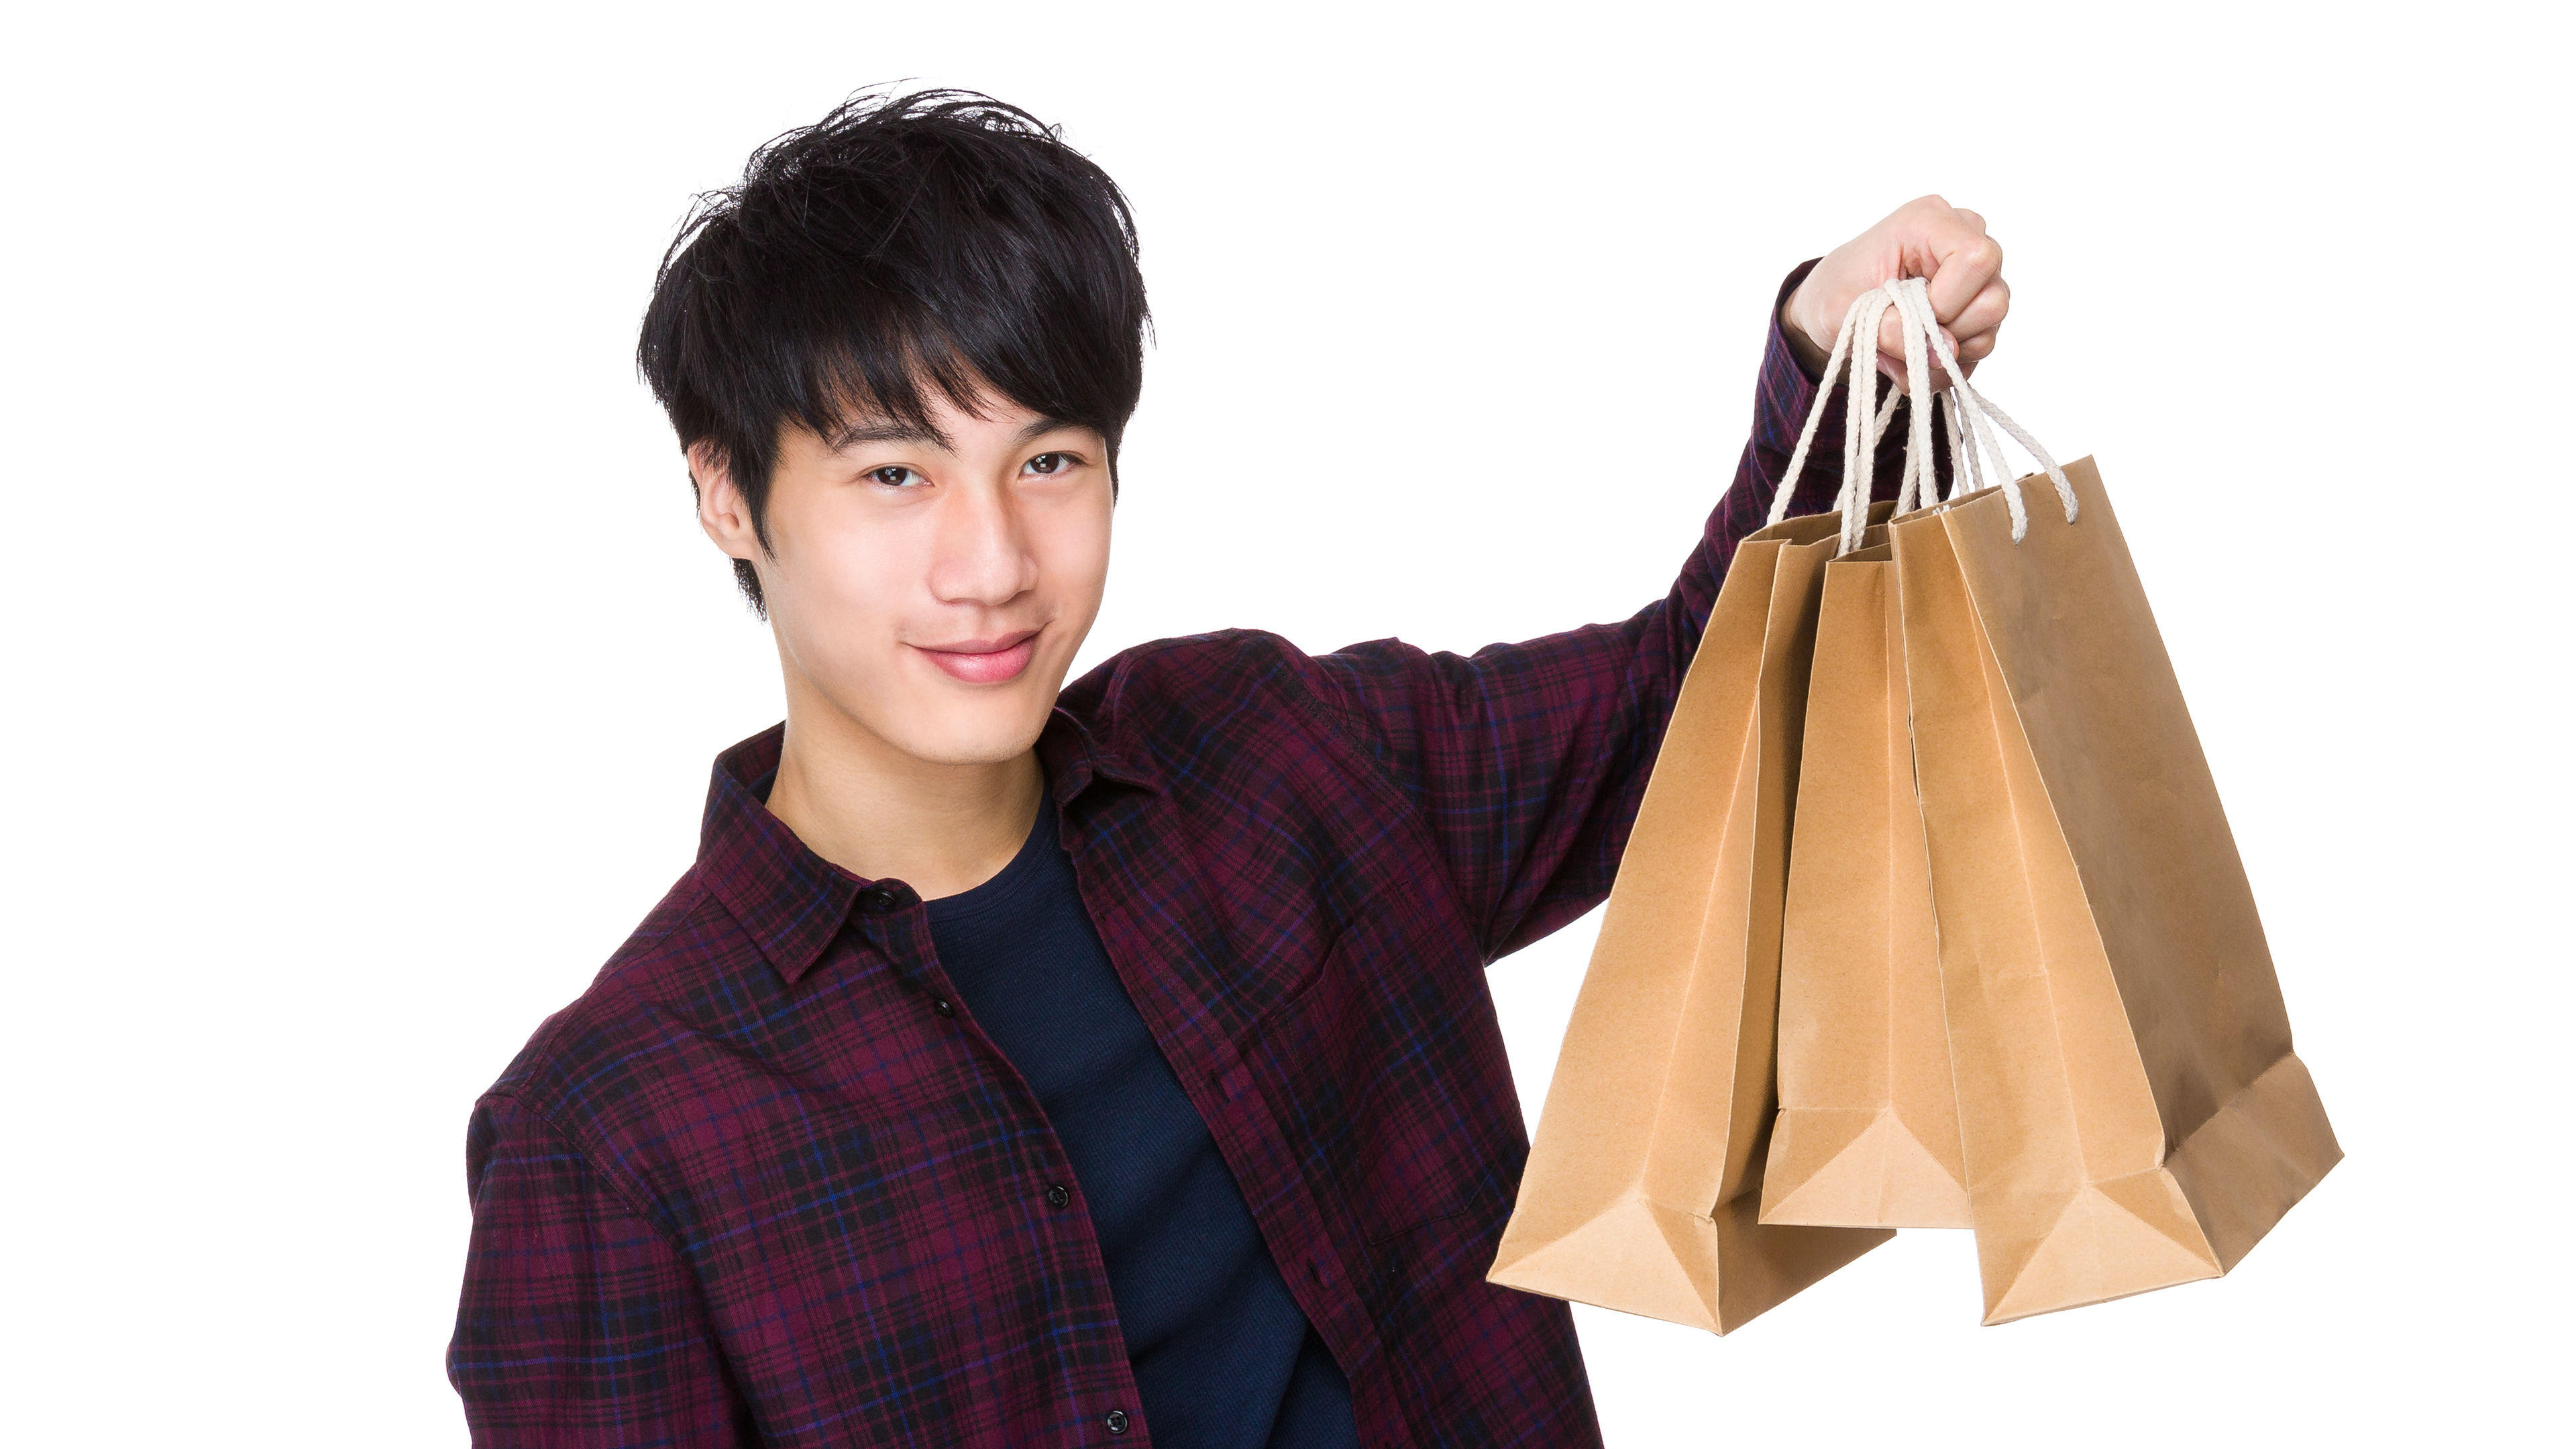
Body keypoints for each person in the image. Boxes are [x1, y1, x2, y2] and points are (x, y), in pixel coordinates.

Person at [447, 89, 2006, 1448]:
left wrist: (1841, 367)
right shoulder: (611, 1141)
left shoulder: (1273, 766)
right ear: (728, 496)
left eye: (1047, 461)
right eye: (895, 475)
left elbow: (1689, 721)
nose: (990, 565)